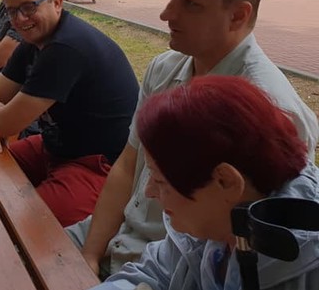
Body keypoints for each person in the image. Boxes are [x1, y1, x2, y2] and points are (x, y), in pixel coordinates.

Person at [68, 0, 319, 277]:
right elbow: (128, 166)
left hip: (170, 266)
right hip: (112, 233)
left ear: (238, 16)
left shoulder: (270, 110)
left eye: (190, 4)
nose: (166, 14)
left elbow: (245, 248)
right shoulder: (164, 68)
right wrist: (90, 253)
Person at [0, 0, 139, 227]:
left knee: (26, 225)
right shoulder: (31, 43)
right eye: (11, 11)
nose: (20, 19)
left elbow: (7, 123)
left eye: (29, 7)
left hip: (98, 166)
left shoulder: (66, 48)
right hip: (54, 147)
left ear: (57, 2)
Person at [105, 75, 319, 290]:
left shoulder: (307, 273)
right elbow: (153, 272)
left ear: (225, 181)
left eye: (160, 180)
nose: (149, 191)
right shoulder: (209, 226)